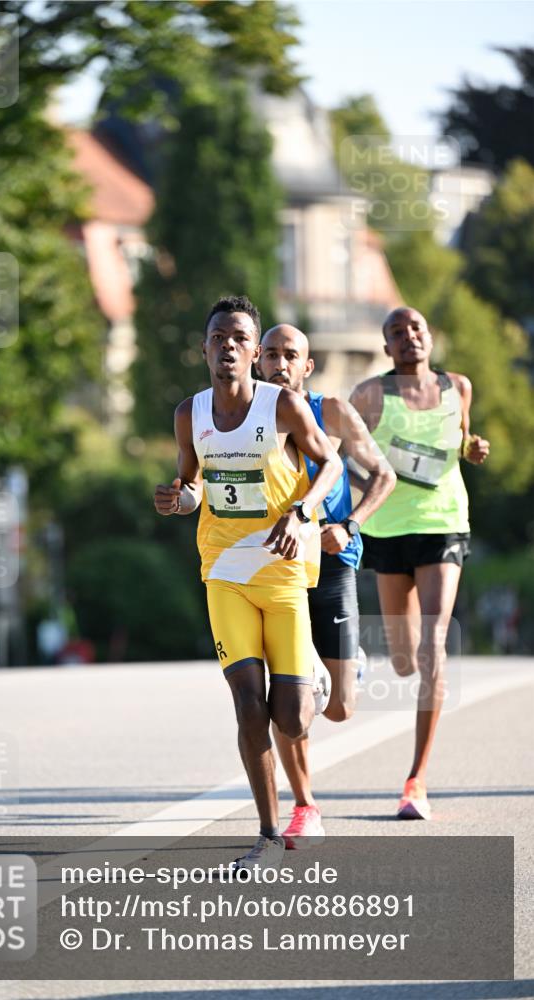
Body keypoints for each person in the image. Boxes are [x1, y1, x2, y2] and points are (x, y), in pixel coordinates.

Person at [154, 296, 342, 869]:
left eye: (239, 338)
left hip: (282, 570)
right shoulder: (190, 413)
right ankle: (265, 836)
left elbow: (330, 463)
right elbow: (192, 484)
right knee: (246, 704)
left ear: (253, 351)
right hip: (224, 573)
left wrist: (303, 512)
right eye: (217, 337)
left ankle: (310, 676)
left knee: (292, 717)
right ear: (205, 347)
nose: (227, 346)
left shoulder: (281, 405)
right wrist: (177, 499)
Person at [257, 324, 396, 844]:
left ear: (306, 366)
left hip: (333, 562)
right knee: (285, 696)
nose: (279, 363)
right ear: (256, 361)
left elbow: (384, 475)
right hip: (274, 566)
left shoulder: (331, 410)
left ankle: (344, 668)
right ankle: (305, 805)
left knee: (337, 707)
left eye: (290, 355)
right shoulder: (242, 417)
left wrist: (350, 524)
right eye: (270, 353)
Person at [350, 306, 489, 820]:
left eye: (417, 329)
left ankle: (416, 781)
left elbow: (464, 438)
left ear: (429, 336)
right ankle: (388, 660)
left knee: (434, 644)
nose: (409, 337)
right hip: (388, 530)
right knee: (405, 658)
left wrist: (472, 450)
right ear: (387, 347)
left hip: (444, 521)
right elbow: (342, 454)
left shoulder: (459, 386)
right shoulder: (369, 394)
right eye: (397, 333)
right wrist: (369, 493)